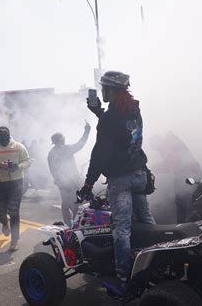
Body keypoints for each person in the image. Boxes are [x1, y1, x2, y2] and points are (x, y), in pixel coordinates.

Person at [78, 71, 155, 294]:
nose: (101, 91)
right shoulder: (134, 110)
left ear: (111, 90)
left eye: (104, 88)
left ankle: (123, 279)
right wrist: (100, 113)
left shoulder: (110, 118)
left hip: (121, 179)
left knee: (122, 229)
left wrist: (88, 184)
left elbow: (101, 154)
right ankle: (154, 261)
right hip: (139, 173)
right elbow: (121, 130)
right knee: (146, 218)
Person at [0, 127, 30, 251]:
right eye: (1, 135)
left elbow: (27, 161)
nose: (3, 137)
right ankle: (5, 223)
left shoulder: (18, 146)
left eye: (5, 135)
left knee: (14, 212)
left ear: (9, 134)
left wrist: (18, 166)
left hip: (16, 184)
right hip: (0, 184)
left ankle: (14, 241)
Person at [150, 132, 202, 223]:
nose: (156, 149)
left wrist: (159, 167)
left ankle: (185, 224)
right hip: (188, 172)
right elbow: (173, 165)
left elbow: (173, 161)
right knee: (184, 199)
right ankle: (187, 222)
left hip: (188, 173)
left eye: (155, 146)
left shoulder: (168, 144)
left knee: (183, 200)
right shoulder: (169, 143)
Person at [48, 122, 91, 226]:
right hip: (71, 182)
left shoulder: (51, 153)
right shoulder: (66, 149)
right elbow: (81, 144)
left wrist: (57, 180)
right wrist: (87, 131)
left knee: (65, 205)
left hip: (61, 183)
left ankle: (69, 225)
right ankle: (74, 227)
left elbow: (51, 169)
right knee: (75, 206)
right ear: (62, 140)